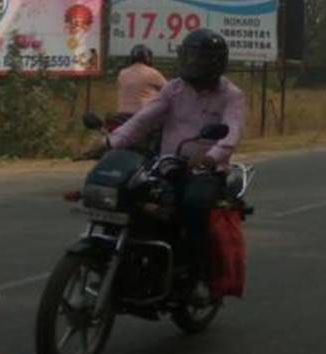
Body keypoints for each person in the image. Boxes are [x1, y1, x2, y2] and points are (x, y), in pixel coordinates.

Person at [81, 29, 244, 304]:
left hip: (205, 172)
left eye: (201, 58)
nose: (195, 63)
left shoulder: (231, 95)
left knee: (193, 205)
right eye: (191, 56)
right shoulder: (174, 88)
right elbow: (143, 120)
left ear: (216, 62)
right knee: (132, 196)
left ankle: (193, 276)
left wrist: (210, 157)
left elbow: (232, 133)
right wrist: (109, 143)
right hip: (167, 164)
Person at [115, 45, 167, 118]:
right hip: (143, 114)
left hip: (122, 114)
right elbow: (167, 89)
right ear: (147, 58)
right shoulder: (152, 72)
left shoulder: (122, 73)